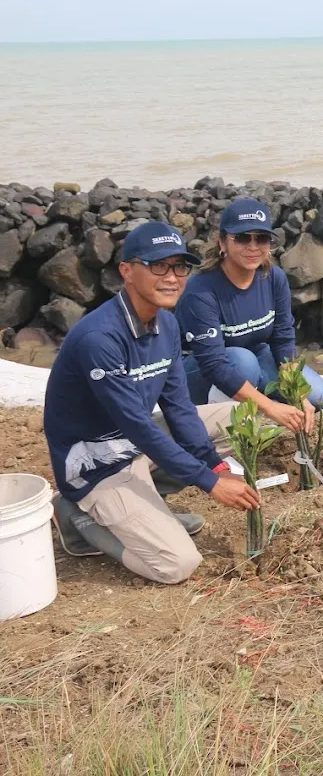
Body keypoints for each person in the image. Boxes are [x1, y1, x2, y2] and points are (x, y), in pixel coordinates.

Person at [44, 221, 261, 584]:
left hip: (136, 444)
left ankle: (149, 503)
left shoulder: (166, 324)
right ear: (126, 271)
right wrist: (208, 482)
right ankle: (77, 516)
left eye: (180, 266)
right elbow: (139, 427)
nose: (172, 277)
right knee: (176, 564)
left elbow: (177, 406)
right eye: (158, 265)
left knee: (245, 417)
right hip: (99, 463)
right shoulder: (99, 338)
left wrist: (214, 465)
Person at [177, 197, 323, 434]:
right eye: (243, 237)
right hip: (201, 372)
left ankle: (253, 402)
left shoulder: (274, 278)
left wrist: (295, 392)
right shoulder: (200, 291)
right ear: (222, 242)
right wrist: (270, 407)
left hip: (255, 356)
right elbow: (214, 364)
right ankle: (218, 426)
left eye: (262, 238)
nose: (253, 246)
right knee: (242, 362)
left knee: (317, 396)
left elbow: (282, 338)